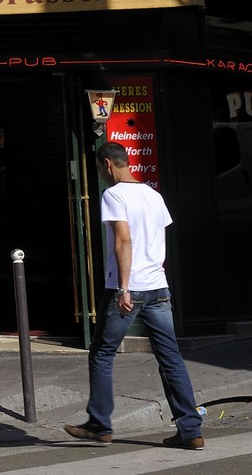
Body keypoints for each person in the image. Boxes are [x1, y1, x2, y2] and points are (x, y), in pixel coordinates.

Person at [66, 142, 204, 450]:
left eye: (100, 169)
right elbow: (159, 239)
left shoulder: (113, 195)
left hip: (128, 288)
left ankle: (100, 424)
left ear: (107, 164)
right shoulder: (154, 195)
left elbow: (124, 240)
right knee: (171, 359)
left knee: (102, 354)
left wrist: (125, 288)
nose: (101, 175)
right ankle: (191, 429)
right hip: (158, 287)